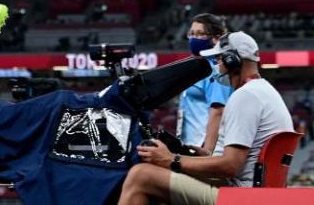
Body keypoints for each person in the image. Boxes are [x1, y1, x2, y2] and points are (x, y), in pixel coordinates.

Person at [118, 32, 293, 205]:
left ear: (232, 60)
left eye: (219, 59)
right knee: (160, 174)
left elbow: (231, 166)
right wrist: (203, 157)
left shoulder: (245, 96)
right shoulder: (264, 91)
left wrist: (171, 159)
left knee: (140, 175)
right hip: (256, 192)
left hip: (240, 196)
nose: (216, 65)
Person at [177, 14, 232, 156]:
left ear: (216, 38)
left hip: (206, 148)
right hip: (191, 145)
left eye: (200, 34)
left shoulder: (215, 68)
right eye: (192, 34)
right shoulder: (198, 66)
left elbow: (218, 111)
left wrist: (207, 151)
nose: (194, 38)